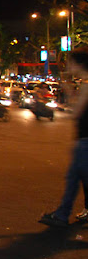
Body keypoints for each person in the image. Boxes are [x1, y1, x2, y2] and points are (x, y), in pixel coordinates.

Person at [39, 48, 88, 227]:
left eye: (71, 62)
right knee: (73, 179)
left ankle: (62, 214)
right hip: (82, 141)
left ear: (78, 64)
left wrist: (68, 90)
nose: (68, 65)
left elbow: (76, 112)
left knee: (74, 179)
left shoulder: (87, 85)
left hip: (85, 142)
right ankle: (62, 214)